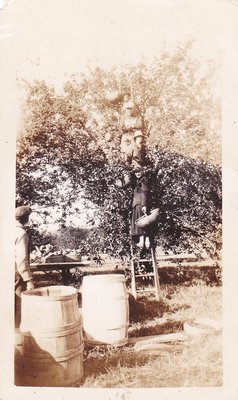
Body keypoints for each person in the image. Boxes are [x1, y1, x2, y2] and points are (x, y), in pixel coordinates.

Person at [15, 205, 34, 328]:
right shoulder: (21, 233)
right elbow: (21, 259)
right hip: (16, 273)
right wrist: (29, 280)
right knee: (17, 304)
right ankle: (17, 339)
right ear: (26, 219)